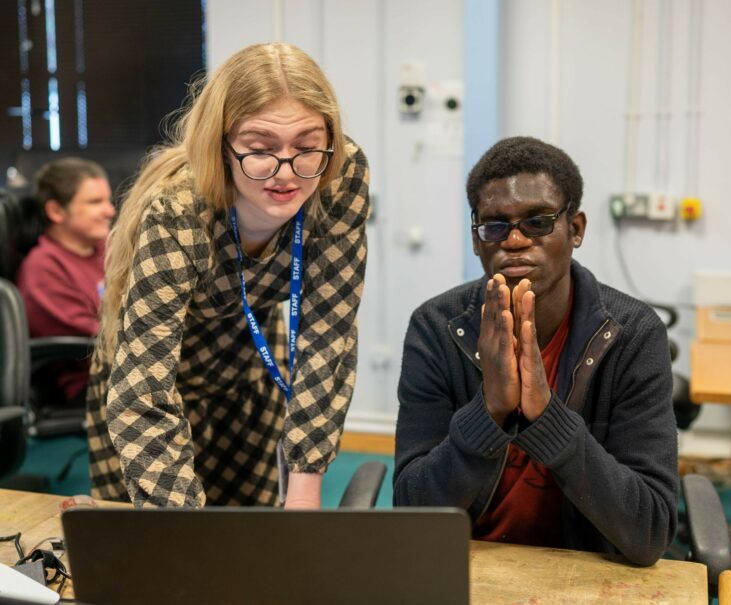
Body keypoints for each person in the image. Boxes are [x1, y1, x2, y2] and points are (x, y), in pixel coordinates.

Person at [86, 43, 369, 509]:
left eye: (306, 145)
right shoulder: (180, 211)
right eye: (260, 149)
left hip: (250, 365)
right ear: (220, 145)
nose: (288, 172)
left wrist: (304, 480)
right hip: (153, 377)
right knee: (154, 556)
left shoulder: (339, 176)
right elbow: (143, 390)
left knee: (249, 542)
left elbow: (328, 332)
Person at [393, 136, 677, 566]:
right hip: (467, 567)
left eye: (538, 222)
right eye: (495, 226)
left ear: (576, 229)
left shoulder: (632, 334)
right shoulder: (436, 328)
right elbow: (412, 515)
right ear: (476, 239)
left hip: (581, 575)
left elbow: (649, 532)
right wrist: (488, 412)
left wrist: (548, 418)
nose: (515, 241)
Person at [16, 158, 115, 405]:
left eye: (108, 200)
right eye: (95, 202)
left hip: (128, 368)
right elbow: (97, 339)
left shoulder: (108, 249)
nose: (110, 211)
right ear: (56, 211)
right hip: (93, 385)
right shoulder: (43, 270)